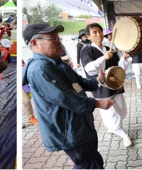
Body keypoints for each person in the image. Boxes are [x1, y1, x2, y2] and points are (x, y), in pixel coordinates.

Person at [22, 23, 115, 169]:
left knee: (89, 162)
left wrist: (97, 80)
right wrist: (96, 103)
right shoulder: (39, 69)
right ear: (34, 43)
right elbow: (63, 97)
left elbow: (79, 82)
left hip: (79, 124)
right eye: (53, 39)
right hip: (69, 129)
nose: (59, 42)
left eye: (58, 38)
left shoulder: (57, 63)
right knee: (91, 164)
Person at [80, 23, 132, 147]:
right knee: (110, 113)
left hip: (115, 84)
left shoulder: (110, 48)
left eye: (100, 31)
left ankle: (114, 127)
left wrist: (124, 58)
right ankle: (124, 135)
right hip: (101, 87)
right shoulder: (87, 50)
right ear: (88, 36)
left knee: (121, 110)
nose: (98, 34)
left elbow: (118, 68)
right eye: (94, 32)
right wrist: (103, 58)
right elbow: (89, 69)